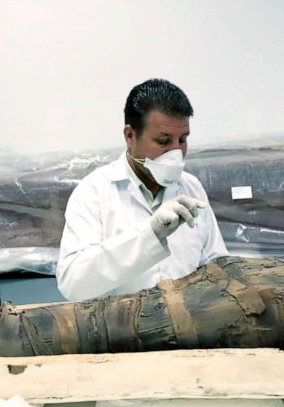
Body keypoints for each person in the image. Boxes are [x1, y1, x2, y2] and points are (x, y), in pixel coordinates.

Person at [56, 78, 228, 301]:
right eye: (163, 141)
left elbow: (217, 265)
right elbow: (73, 284)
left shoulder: (191, 187)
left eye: (183, 140)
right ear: (130, 136)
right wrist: (151, 233)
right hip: (123, 333)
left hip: (189, 331)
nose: (176, 153)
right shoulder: (94, 192)